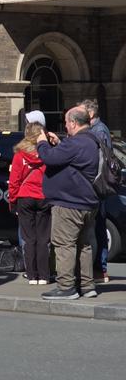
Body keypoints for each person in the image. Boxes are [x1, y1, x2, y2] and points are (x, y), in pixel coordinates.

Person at [36, 106, 100, 300]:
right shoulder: (92, 140)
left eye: (66, 122)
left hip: (69, 204)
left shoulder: (76, 143)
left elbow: (48, 157)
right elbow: (70, 160)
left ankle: (66, 287)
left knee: (64, 245)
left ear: (73, 123)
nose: (65, 125)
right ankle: (87, 286)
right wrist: (60, 143)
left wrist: (41, 143)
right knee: (84, 245)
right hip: (89, 203)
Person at [8, 121, 50, 284]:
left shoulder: (19, 155)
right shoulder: (47, 153)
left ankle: (32, 275)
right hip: (44, 197)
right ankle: (44, 276)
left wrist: (13, 201)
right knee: (43, 239)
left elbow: (14, 182)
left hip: (25, 198)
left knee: (29, 238)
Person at [81, 98, 111, 284]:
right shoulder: (96, 130)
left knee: (98, 225)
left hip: (98, 185)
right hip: (96, 184)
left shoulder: (98, 131)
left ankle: (101, 269)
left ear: (90, 114)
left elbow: (100, 159)